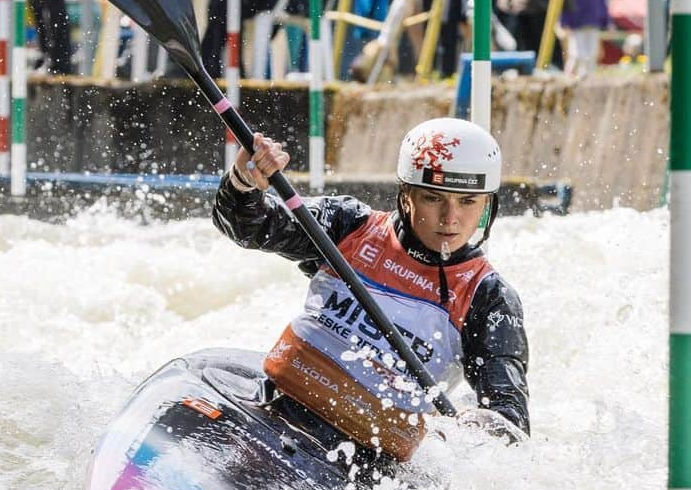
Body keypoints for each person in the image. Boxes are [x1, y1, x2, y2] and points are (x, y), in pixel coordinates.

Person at [212, 120, 529, 471]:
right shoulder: (348, 225)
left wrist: (475, 428)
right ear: (406, 195)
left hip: (363, 467)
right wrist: (244, 183)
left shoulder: (488, 297)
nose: (450, 218)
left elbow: (509, 419)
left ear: (487, 205)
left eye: (467, 202)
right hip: (278, 409)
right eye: (433, 198)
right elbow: (250, 227)